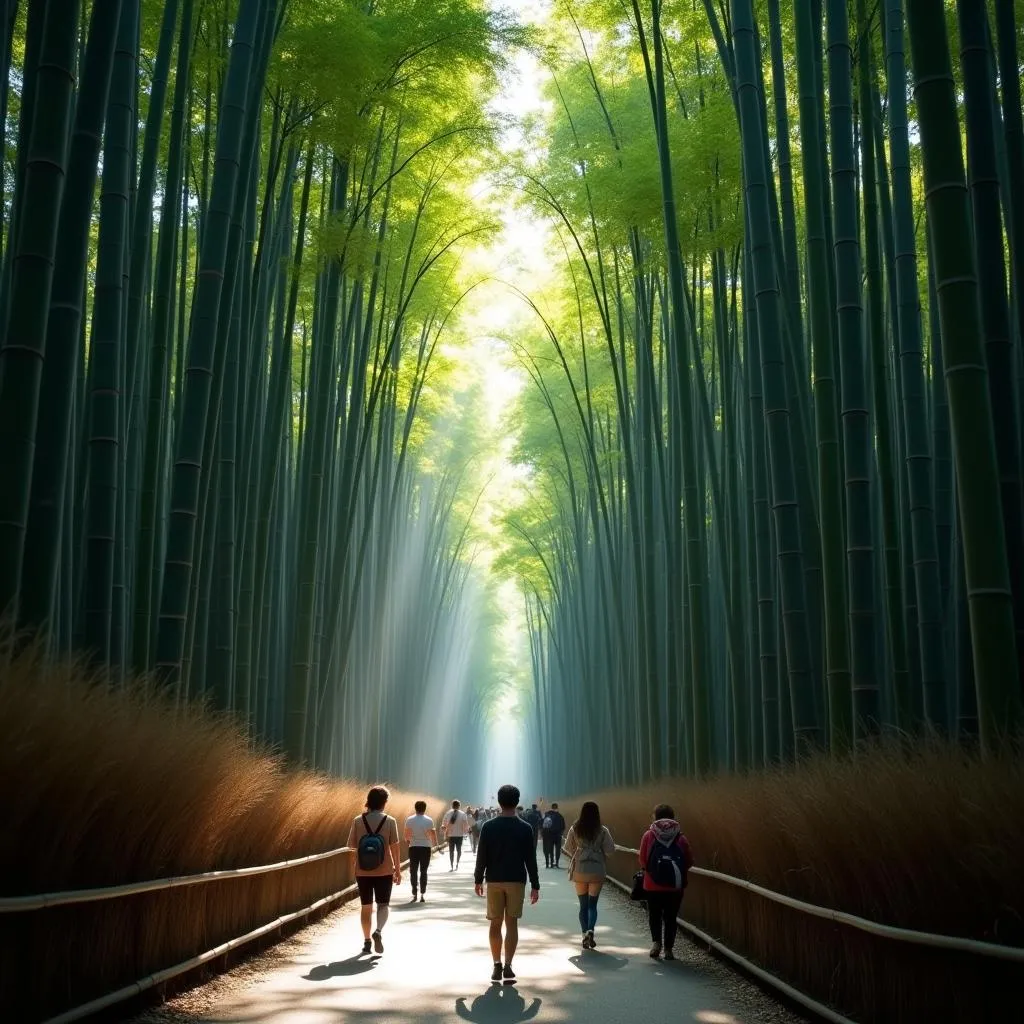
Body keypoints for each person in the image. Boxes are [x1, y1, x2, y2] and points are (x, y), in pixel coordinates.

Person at [474, 783, 540, 984]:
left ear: (499, 802)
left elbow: (482, 856)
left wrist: (478, 879)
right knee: (511, 923)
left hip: (494, 880)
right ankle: (509, 965)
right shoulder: (525, 828)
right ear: (517, 802)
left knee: (495, 923)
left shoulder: (489, 826)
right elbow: (530, 859)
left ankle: (496, 964)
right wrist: (535, 885)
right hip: (516, 880)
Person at [347, 785, 401, 955]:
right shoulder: (390, 821)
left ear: (369, 800)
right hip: (385, 871)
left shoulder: (358, 820)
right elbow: (395, 848)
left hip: (362, 871)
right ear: (384, 802)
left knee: (366, 906)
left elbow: (352, 848)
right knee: (383, 904)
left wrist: (353, 869)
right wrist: (397, 870)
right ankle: (378, 932)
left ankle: (366, 941)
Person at [639, 803, 694, 960]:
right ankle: (669, 949)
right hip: (675, 887)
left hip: (652, 885)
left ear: (655, 817)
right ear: (672, 817)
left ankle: (656, 944)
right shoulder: (681, 837)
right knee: (671, 917)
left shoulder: (648, 836)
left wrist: (652, 872)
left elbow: (642, 860)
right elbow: (689, 861)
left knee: (654, 915)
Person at [564, 801, 615, 950]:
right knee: (592, 905)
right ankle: (591, 930)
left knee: (583, 905)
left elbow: (567, 847)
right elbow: (610, 850)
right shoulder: (603, 830)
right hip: (597, 869)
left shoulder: (575, 828)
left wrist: (579, 852)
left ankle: (583, 933)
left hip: (580, 869)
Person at [404, 799, 436, 903]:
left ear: (415, 808)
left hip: (413, 847)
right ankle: (422, 892)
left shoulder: (409, 820)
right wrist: (434, 844)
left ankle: (414, 890)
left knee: (413, 870)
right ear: (425, 809)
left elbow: (406, 837)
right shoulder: (429, 820)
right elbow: (432, 835)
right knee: (424, 870)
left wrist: (409, 842)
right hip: (426, 847)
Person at [443, 799, 470, 871]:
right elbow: (465, 824)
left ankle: (451, 865)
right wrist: (466, 832)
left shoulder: (448, 813)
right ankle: (457, 864)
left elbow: (444, 824)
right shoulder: (463, 814)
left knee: (451, 851)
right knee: (459, 850)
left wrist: (445, 832)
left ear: (452, 805)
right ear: (459, 806)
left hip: (451, 835)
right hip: (459, 835)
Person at [540, 802, 565, 869]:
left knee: (550, 849)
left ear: (551, 807)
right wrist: (561, 833)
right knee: (557, 850)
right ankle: (556, 863)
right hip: (558, 835)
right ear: (557, 808)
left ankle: (550, 863)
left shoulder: (547, 815)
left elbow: (542, 824)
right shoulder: (560, 816)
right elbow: (563, 827)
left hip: (549, 835)